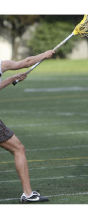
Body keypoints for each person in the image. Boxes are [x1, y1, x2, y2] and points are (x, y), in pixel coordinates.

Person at [0, 49, 55, 203]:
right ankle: (28, 194)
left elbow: (23, 63)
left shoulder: (2, 64)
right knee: (18, 149)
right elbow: (25, 63)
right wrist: (45, 55)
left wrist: (12, 78)